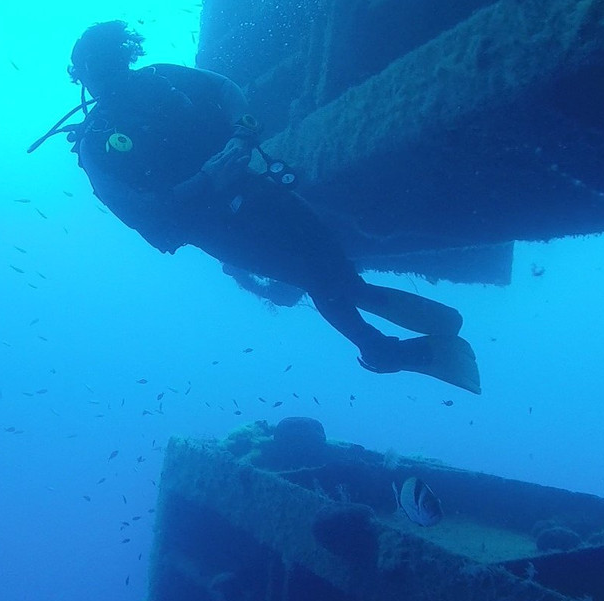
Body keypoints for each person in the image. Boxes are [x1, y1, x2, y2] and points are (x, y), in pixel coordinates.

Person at [49, 20, 480, 393]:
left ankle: (386, 345)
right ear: (85, 78)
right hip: (216, 227)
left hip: (256, 189)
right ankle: (381, 349)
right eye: (101, 72)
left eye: (115, 65)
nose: (115, 79)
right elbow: (142, 213)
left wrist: (242, 134)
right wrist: (206, 180)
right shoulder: (96, 144)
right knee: (318, 276)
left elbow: (223, 87)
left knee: (335, 271)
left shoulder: (162, 78)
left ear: (125, 57)